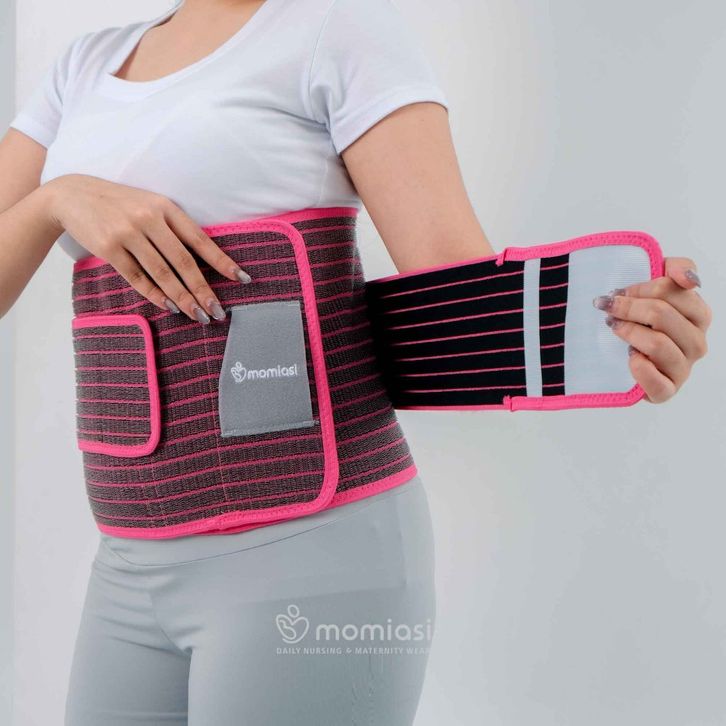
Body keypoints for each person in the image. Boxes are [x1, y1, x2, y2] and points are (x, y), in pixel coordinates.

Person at [0, 0, 711, 723]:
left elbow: (456, 287)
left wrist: (617, 320)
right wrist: (56, 201)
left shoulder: (336, 30)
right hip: (125, 564)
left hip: (311, 556)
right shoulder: (83, 66)